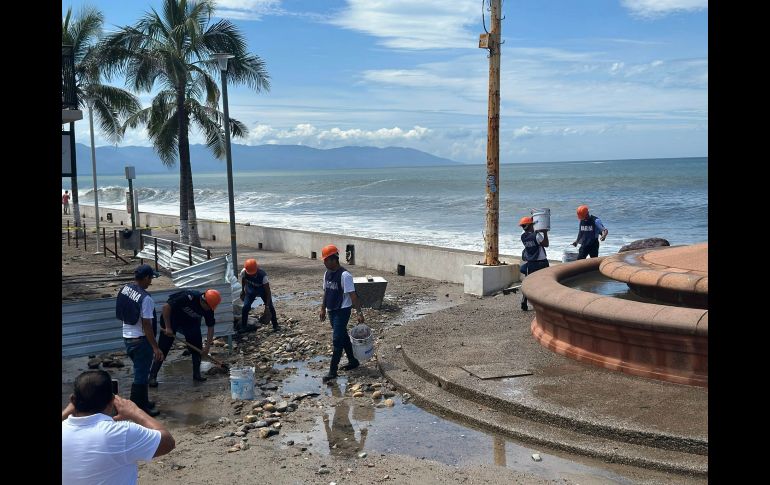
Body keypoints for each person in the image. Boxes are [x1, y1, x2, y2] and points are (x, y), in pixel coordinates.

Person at [62, 370, 175, 485]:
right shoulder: (121, 432)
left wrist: (66, 412)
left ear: (72, 400)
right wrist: (135, 412)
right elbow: (168, 442)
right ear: (111, 402)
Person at [116, 264, 163, 416]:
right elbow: (147, 324)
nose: (151, 282)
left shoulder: (126, 289)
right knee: (141, 375)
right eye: (150, 278)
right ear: (145, 277)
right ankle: (139, 408)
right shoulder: (146, 299)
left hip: (127, 337)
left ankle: (143, 401)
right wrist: (155, 347)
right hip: (141, 341)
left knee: (140, 371)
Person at [148, 288, 222, 386]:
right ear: (203, 301)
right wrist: (168, 327)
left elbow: (211, 327)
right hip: (171, 318)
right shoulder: (188, 297)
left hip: (190, 322)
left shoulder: (209, 309)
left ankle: (197, 375)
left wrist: (207, 347)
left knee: (197, 346)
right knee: (164, 346)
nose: (209, 309)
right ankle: (152, 377)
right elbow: (166, 307)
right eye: (209, 307)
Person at [319, 244, 365, 383]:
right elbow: (326, 292)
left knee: (337, 339)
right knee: (343, 335)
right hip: (331, 310)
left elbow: (353, 296)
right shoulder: (327, 274)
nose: (324, 263)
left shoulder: (345, 276)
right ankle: (353, 361)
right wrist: (323, 308)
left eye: (326, 260)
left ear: (334, 259)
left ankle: (332, 371)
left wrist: (359, 312)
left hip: (342, 310)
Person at [238, 258, 279, 333]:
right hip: (250, 289)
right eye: (250, 273)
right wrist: (243, 291)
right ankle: (244, 327)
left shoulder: (263, 276)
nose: (252, 274)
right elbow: (243, 280)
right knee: (245, 307)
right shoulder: (244, 272)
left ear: (256, 268)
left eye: (253, 273)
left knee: (270, 307)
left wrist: (267, 307)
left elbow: (268, 292)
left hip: (262, 290)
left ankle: (275, 326)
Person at [518, 216, 550, 311]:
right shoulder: (536, 235)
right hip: (542, 262)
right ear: (530, 226)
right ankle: (543, 304)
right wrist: (545, 233)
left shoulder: (523, 236)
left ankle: (524, 300)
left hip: (531, 263)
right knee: (544, 283)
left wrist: (533, 219)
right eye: (532, 225)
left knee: (529, 283)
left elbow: (526, 229)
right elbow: (546, 244)